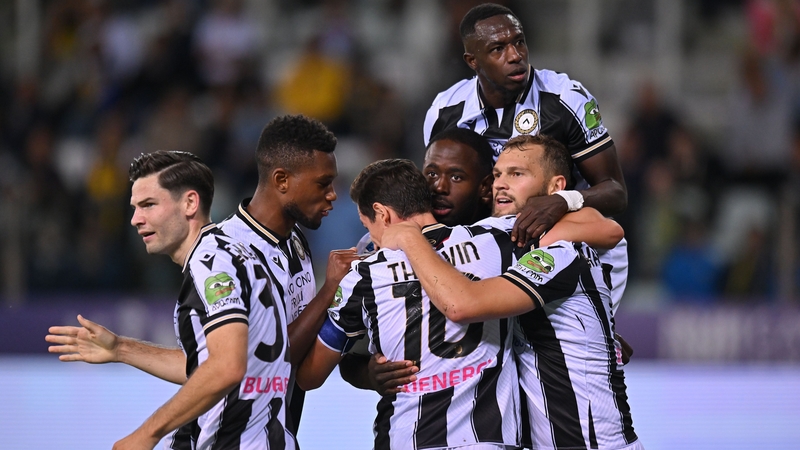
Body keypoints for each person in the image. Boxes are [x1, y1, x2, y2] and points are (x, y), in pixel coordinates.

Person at [295, 158, 622, 449]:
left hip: (406, 436)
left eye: (369, 227)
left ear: (381, 214)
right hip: (490, 439)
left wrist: (366, 370)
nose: (371, 239)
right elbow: (603, 230)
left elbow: (310, 376)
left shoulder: (361, 277)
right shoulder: (494, 240)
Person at [382, 135, 642, 450]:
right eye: (498, 175)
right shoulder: (501, 244)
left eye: (517, 174)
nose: (501, 184)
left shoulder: (560, 249)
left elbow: (461, 304)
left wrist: (410, 240)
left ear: (553, 188)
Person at [46, 151, 296, 449]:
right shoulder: (231, 252)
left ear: (190, 203)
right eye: (135, 208)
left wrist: (146, 434)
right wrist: (121, 348)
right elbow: (206, 363)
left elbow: (227, 366)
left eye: (149, 205)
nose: (136, 220)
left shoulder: (211, 264)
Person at [424, 3, 629, 313]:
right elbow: (441, 194)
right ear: (473, 61)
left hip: (570, 245)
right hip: (493, 248)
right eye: (498, 48)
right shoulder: (445, 111)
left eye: (518, 41)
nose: (515, 55)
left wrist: (563, 201)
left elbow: (615, 191)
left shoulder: (565, 100)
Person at [216, 114, 360, 433]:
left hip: (281, 432)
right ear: (282, 180)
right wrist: (330, 289)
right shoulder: (227, 253)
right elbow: (271, 358)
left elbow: (303, 365)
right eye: (323, 183)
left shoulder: (295, 240)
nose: (333, 194)